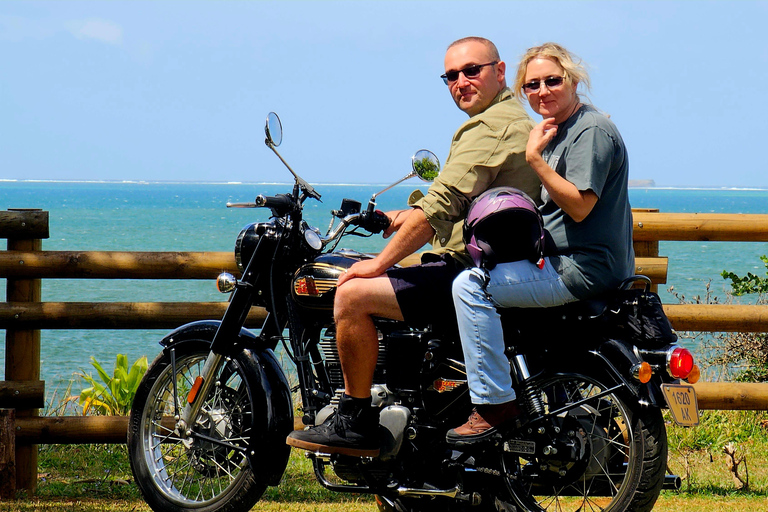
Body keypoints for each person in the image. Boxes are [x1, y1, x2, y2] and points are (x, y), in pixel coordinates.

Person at [286, 36, 540, 457]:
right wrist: (407, 214)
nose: (461, 81)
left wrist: (379, 262)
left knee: (351, 294)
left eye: (472, 70)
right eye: (451, 76)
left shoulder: (492, 127)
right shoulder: (505, 121)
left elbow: (444, 203)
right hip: (492, 262)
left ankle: (355, 420)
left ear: (499, 71)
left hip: (468, 270)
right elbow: (460, 192)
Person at [446, 42, 635, 445]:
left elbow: (581, 206)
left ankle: (492, 405)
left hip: (580, 268)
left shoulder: (590, 130)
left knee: (469, 286)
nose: (543, 91)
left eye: (553, 80)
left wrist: (535, 160)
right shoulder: (559, 129)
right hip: (568, 263)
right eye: (532, 85)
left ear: (573, 79)